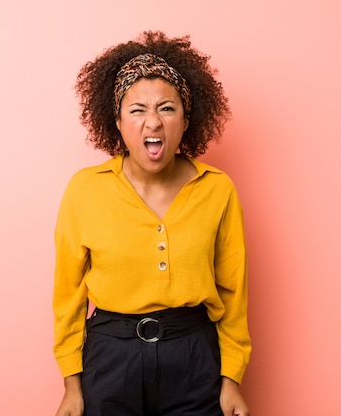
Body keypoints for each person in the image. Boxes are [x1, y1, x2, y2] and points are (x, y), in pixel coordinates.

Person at [53, 31, 251, 416]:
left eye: (167, 108)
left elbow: (234, 292)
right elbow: (68, 297)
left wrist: (231, 381)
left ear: (186, 118)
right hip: (110, 358)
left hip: (194, 355)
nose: (152, 122)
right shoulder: (84, 190)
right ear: (118, 121)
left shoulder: (217, 189)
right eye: (137, 109)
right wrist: (71, 386)